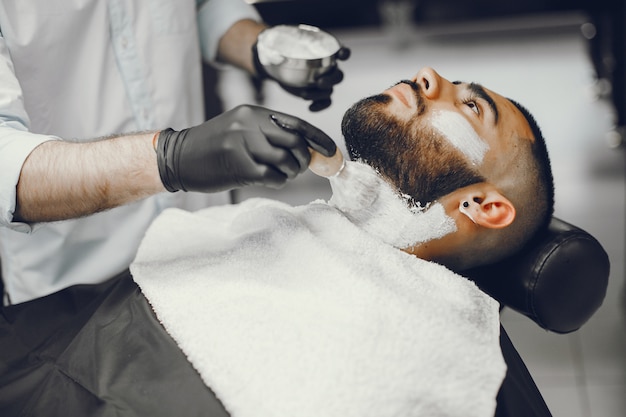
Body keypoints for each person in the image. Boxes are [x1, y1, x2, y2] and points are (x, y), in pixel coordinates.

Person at [0, 1, 349, 305]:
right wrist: (171, 158)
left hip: (206, 235)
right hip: (76, 284)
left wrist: (262, 49)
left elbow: (198, 6)